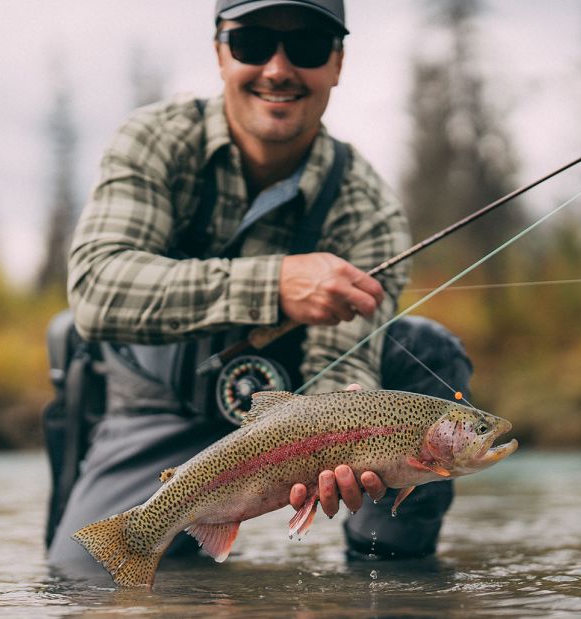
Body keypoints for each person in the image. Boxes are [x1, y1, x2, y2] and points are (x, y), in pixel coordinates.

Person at [47, 0, 473, 571]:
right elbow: (97, 289)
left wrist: (346, 426)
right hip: (162, 407)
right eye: (252, 44)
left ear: (337, 63)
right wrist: (273, 284)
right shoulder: (156, 141)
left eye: (306, 47)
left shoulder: (368, 209)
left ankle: (389, 583)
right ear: (221, 53)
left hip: (298, 424)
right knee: (89, 585)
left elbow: (345, 363)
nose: (277, 69)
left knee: (426, 347)